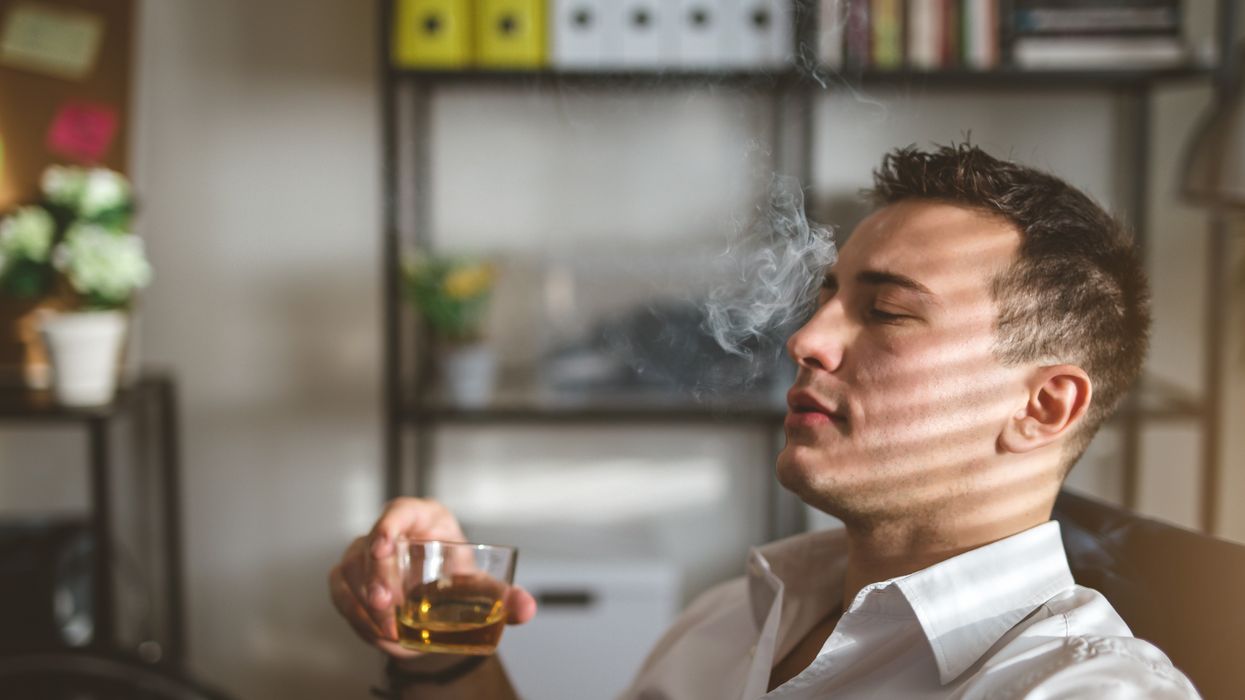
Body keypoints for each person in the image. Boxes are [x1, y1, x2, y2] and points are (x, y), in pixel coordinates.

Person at [328, 143, 1200, 699]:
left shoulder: (1080, 693)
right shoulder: (735, 619)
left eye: (887, 313)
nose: (805, 339)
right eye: (825, 300)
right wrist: (451, 649)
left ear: (1041, 406)